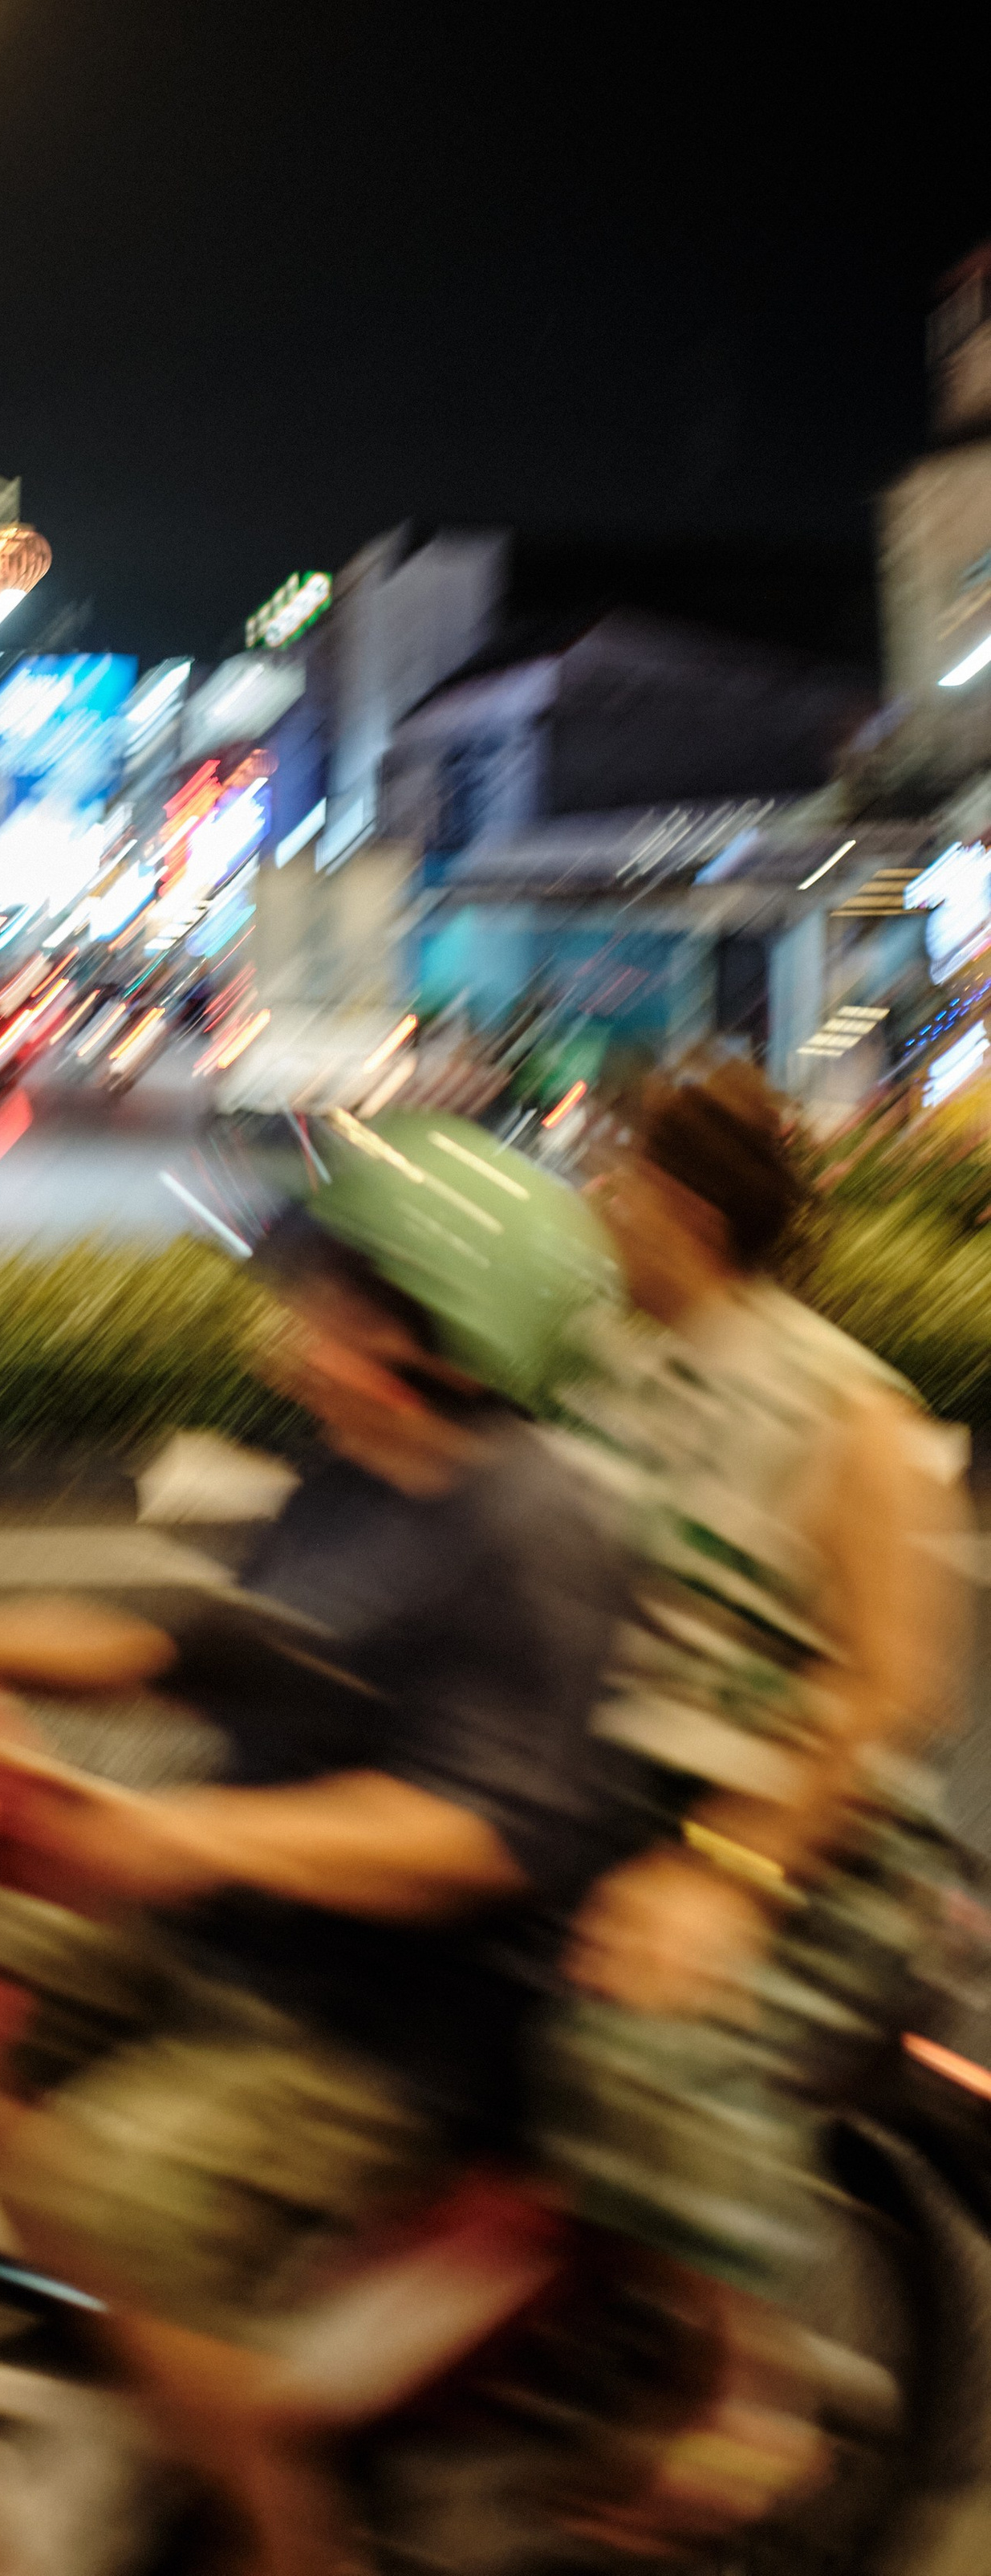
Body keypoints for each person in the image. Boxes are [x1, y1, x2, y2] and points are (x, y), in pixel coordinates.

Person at [0, 1112, 632, 2576]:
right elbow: (186, 1646)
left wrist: (200, 1835)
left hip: (388, 2028)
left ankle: (289, 2536)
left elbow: (480, 1833)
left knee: (114, 2195)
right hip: (239, 1945)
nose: (287, 1317)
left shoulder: (531, 1527)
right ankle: (129, 2387)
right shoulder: (348, 1478)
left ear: (426, 1334)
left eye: (325, 1293)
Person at [540, 1058, 967, 2545]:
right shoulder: (611, 1364)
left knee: (642, 2032)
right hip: (619, 1800)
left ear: (686, 1212)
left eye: (615, 1176)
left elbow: (885, 1692)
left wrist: (729, 1874)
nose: (595, 1202)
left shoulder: (847, 1413)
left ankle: (755, 2386)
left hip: (811, 1846)